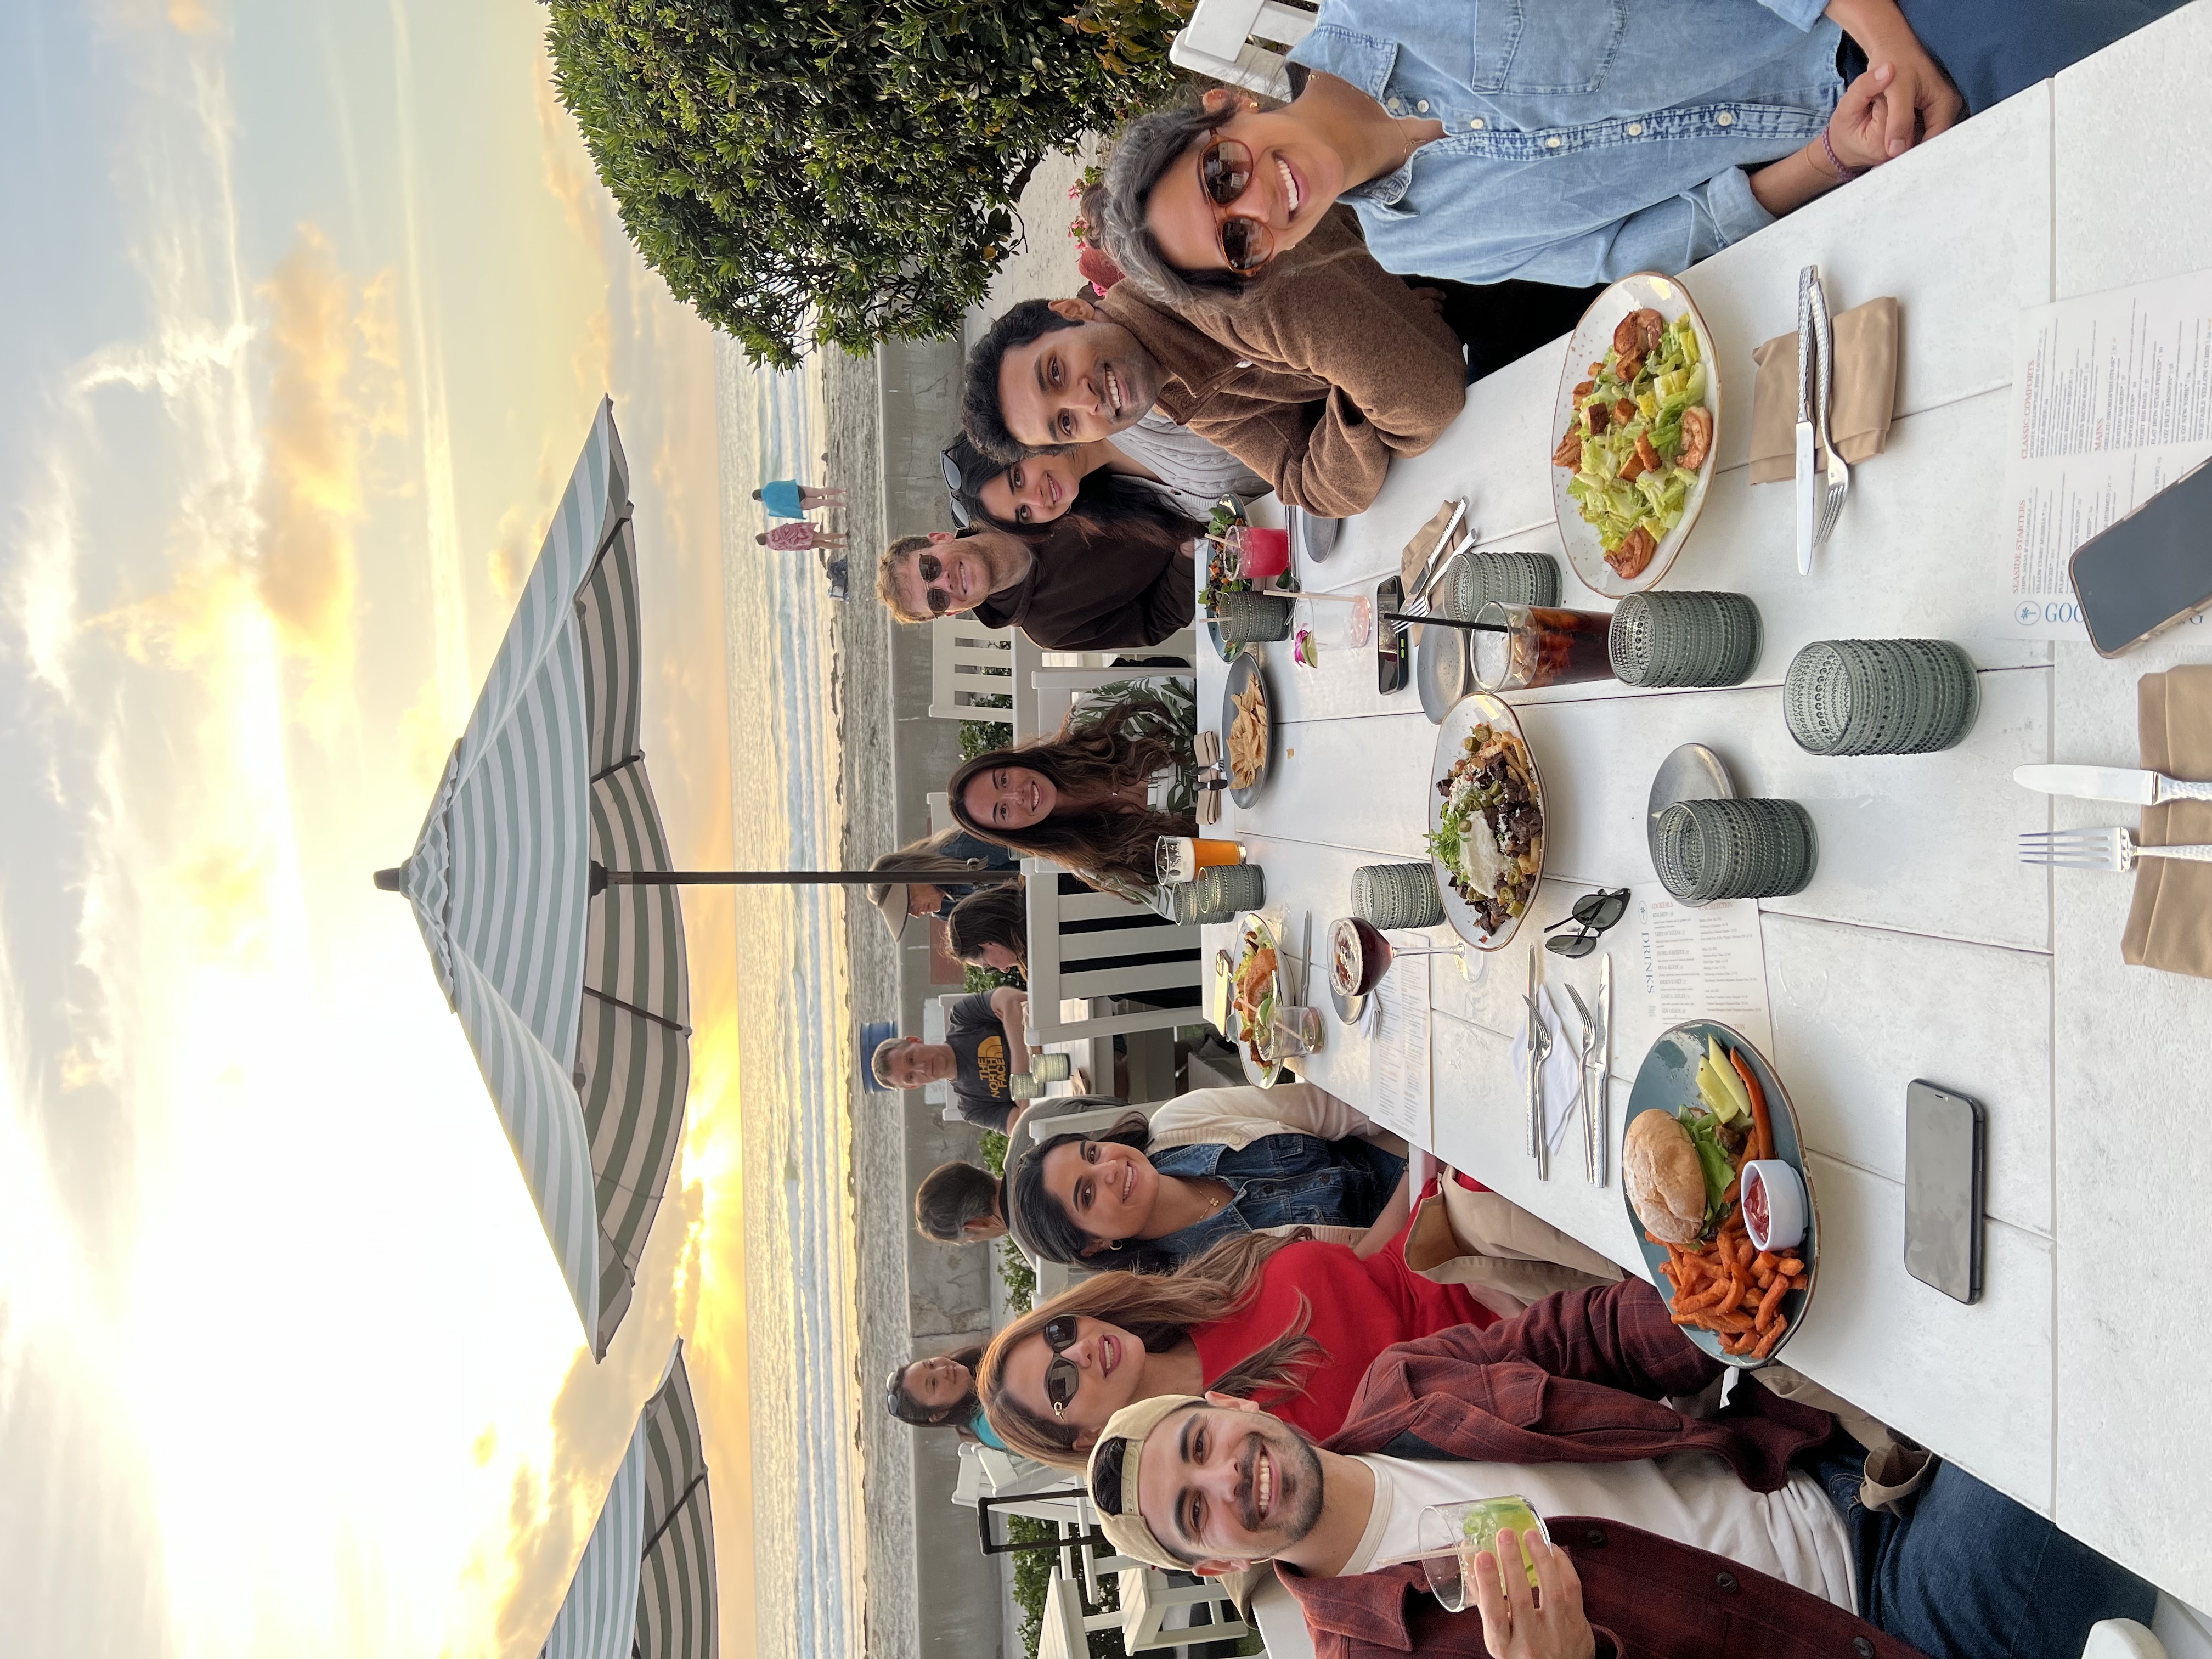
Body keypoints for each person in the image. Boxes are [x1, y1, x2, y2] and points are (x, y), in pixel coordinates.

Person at [1085, 1279, 2157, 1659]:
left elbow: (1585, 1332)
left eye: (1198, 1445)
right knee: (2091, 1396)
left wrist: (1723, 1304)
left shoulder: (1404, 1392)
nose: (1227, 1479)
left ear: (1226, 1405)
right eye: (1196, 1513)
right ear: (1220, 1569)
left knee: (2009, 1296)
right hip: (1887, 1616)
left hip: (1834, 1463)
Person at [1099, 0, 2193, 294]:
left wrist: (1889, 45)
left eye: (1222, 183)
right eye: (1237, 244)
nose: (1260, 208)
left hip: (1898, 15)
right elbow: (1651, 248)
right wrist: (1838, 162)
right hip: (1878, 168)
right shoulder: (1423, 247)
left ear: (1221, 113)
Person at [958, 241, 1468, 518]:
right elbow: (1308, 487)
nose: (1084, 400)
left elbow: (1430, 396)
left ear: (1073, 311)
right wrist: (1355, 385)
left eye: (1055, 373)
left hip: (1474, 274)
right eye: (1065, 423)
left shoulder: (1212, 289)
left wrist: (1371, 369)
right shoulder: (1168, 388)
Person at [976, 1228, 1498, 1466]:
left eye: (1058, 1336)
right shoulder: (1232, 1453)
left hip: (1449, 1236)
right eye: (1060, 1383)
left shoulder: (1202, 1289)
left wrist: (1422, 1144)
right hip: (1505, 1348)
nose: (1078, 1355)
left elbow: (1367, 1262)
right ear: (1086, 1438)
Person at [1005, 1088, 1410, 1274]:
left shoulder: (1179, 1122)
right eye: (1087, 1194)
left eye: (1091, 1154)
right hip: (1413, 1253)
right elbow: (1358, 1275)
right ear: (1094, 1246)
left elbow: (1333, 1110)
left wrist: (1423, 1141)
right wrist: (1424, 1183)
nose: (1108, 1168)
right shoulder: (1197, 1280)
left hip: (1401, 1149)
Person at [945, 688, 1195, 899]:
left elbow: (1185, 694)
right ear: (1012, 832)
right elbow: (1185, 897)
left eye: (1003, 780)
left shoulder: (1090, 718)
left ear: (1011, 762)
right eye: (1003, 811)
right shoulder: (1096, 862)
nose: (1017, 796)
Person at [874, 510, 1195, 651]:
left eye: (929, 569)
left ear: (941, 538)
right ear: (953, 612)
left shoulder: (1011, 499)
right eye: (937, 600)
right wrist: (1187, 558)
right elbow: (1157, 620)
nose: (945, 583)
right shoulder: (1050, 630)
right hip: (1212, 549)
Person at [944, 427, 1262, 531]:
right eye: (1024, 514)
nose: (1037, 499)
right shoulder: (1121, 501)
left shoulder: (1133, 415)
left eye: (1017, 479)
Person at [870, 985, 1034, 1132]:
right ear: (914, 1086)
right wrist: (1020, 1036)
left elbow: (1009, 998)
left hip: (1051, 1033)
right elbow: (1024, 1128)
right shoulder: (972, 1107)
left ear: (915, 1041)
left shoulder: (963, 1018)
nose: (922, 1068)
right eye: (911, 1076)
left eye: (911, 1059)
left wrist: (1021, 1085)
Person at [868, 834, 1019, 944]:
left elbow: (1026, 848)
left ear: (913, 872)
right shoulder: (946, 910)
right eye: (908, 912)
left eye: (910, 903)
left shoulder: (964, 852)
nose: (917, 914)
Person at [884, 1347, 1008, 1451]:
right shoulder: (990, 1424)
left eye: (931, 1364)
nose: (943, 1370)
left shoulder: (985, 1365)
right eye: (933, 1383)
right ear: (938, 1415)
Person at [916, 1161, 1008, 1244]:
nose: (974, 1240)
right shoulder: (1017, 1149)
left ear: (973, 1227)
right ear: (978, 1170)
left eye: (969, 1240)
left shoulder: (1021, 1231)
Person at [754, 479, 845, 518]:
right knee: (821, 491)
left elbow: (785, 511)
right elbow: (784, 484)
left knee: (823, 503)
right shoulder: (770, 485)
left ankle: (843, 505)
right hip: (797, 490)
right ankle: (842, 491)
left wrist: (797, 512)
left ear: (759, 499)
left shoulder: (770, 505)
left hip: (799, 503)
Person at [757, 522, 847, 552]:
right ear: (763, 534)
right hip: (801, 536)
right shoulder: (772, 534)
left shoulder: (773, 547)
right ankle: (844, 536)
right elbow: (788, 528)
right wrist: (802, 526)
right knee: (822, 537)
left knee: (821, 544)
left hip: (800, 545)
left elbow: (786, 547)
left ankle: (843, 546)